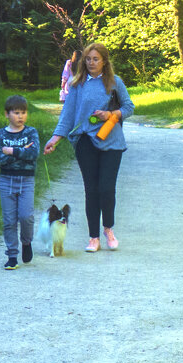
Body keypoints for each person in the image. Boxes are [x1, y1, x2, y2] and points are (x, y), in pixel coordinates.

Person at [44, 42, 134, 253]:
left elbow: (129, 107)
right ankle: (93, 237)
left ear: (104, 61)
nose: (91, 63)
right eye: (88, 59)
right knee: (91, 189)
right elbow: (67, 115)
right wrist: (55, 139)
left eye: (96, 59)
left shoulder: (114, 82)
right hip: (85, 141)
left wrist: (112, 115)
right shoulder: (77, 84)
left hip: (111, 141)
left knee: (106, 187)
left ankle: (108, 229)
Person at [0, 95, 41, 270]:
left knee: (26, 216)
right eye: (16, 113)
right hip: (6, 180)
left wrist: (11, 151)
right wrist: (21, 152)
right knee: (9, 220)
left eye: (23, 113)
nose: (20, 116)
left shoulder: (30, 133)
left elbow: (33, 154)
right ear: (7, 114)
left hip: (26, 180)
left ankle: (26, 242)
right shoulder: (0, 135)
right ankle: (12, 255)